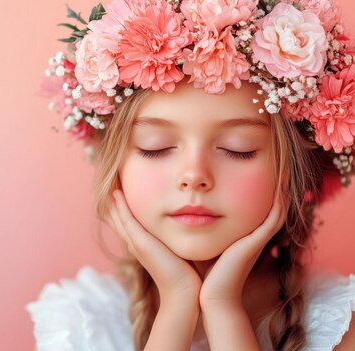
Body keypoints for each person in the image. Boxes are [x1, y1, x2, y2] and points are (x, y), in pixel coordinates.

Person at [27, 0, 355, 350]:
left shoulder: (340, 326)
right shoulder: (82, 323)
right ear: (115, 168)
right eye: (155, 146)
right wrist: (177, 303)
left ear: (292, 170)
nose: (193, 177)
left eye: (237, 148)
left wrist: (223, 309)